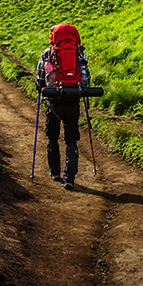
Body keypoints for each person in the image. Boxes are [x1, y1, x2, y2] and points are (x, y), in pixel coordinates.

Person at [35, 24, 91, 190]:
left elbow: (39, 80)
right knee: (71, 140)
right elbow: (86, 79)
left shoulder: (47, 53)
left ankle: (55, 172)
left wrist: (41, 88)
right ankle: (69, 177)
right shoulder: (79, 53)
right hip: (72, 102)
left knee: (52, 137)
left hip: (53, 102)